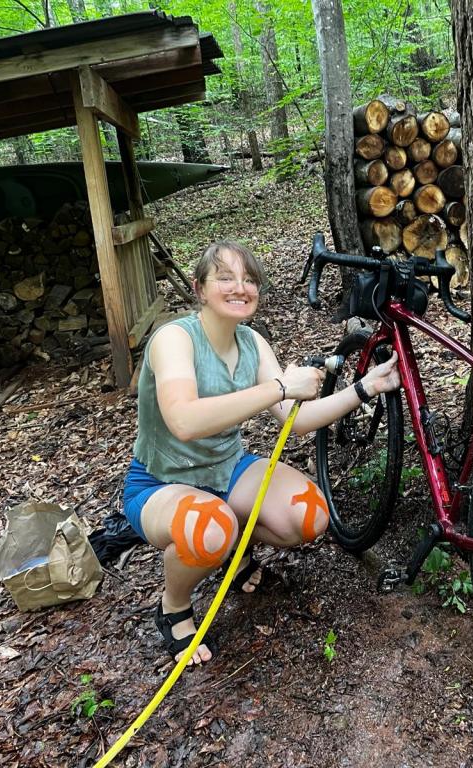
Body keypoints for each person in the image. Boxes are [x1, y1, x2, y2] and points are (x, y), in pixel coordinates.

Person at [123, 240, 400, 665]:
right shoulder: (174, 339)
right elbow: (184, 420)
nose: (240, 287)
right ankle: (173, 604)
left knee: (309, 516)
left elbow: (297, 417)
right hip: (161, 481)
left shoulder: (251, 342)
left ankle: (234, 550)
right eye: (226, 278)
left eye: (249, 279)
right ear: (199, 289)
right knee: (208, 529)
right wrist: (278, 387)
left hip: (228, 468)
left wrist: (364, 389)